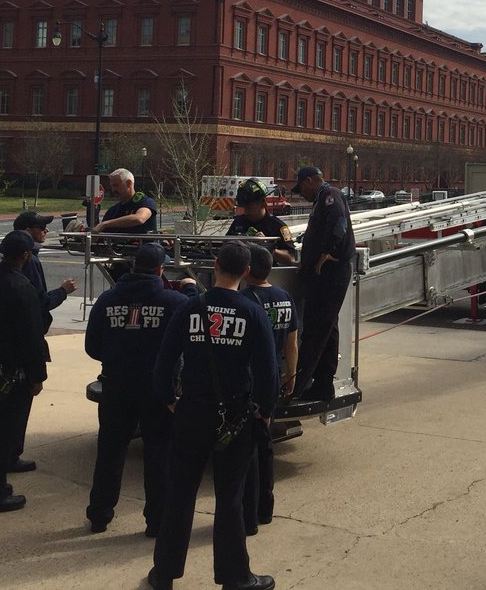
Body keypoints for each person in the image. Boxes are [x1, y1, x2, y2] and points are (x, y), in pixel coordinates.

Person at [148, 241, 278, 590]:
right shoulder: (252, 312)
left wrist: (170, 400)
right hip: (235, 416)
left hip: (191, 411)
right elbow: (268, 372)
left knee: (180, 494)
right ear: (247, 272)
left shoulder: (191, 308)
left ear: (215, 265)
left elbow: (164, 364)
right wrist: (265, 412)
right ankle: (235, 576)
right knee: (230, 497)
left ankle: (164, 574)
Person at [85, 243, 192, 536]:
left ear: (133, 267)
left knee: (109, 451)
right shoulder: (174, 302)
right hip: (158, 389)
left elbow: (92, 346)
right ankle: (156, 521)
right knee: (159, 454)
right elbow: (190, 336)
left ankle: (99, 514)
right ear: (160, 270)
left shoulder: (107, 300)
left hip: (115, 386)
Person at [0, 231, 49, 515]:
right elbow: (31, 336)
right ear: (25, 256)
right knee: (4, 432)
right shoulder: (22, 288)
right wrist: (37, 375)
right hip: (12, 372)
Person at [12, 210, 78, 473]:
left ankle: (4, 453)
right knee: (20, 401)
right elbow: (38, 303)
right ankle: (10, 454)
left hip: (7, 345)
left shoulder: (5, 268)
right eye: (41, 227)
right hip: (25, 341)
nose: (46, 231)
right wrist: (63, 291)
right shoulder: (29, 261)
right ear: (28, 231)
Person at [241, 243, 299, 533]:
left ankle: (248, 512)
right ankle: (266, 508)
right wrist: (291, 374)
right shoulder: (285, 297)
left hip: (249, 379)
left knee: (245, 452)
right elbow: (292, 342)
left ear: (246, 271)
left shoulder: (244, 300)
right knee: (265, 448)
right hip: (274, 376)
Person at [291, 165, 354, 401]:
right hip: (326, 274)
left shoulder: (330, 196)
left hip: (330, 274)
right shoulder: (323, 199)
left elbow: (339, 223)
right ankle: (323, 383)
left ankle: (300, 385)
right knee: (328, 328)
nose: (301, 195)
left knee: (316, 330)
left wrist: (325, 252)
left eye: (301, 188)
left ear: (309, 181)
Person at [226, 179, 297, 266]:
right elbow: (225, 246)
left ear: (263, 203)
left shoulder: (279, 227)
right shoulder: (238, 222)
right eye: (243, 205)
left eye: (249, 205)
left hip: (268, 275)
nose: (245, 210)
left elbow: (291, 258)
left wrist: (268, 247)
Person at [93, 168, 158, 235]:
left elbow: (139, 218)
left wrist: (105, 224)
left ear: (129, 184)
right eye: (112, 186)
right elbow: (100, 236)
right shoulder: (112, 211)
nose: (113, 190)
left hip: (144, 244)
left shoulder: (145, 202)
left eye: (116, 185)